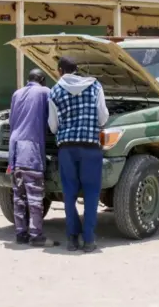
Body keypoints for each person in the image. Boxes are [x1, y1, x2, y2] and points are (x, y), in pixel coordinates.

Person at [48, 57, 109, 252]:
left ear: (60, 70)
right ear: (77, 70)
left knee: (69, 193)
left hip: (67, 148)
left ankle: (72, 238)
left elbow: (53, 125)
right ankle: (89, 240)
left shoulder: (55, 90)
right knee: (91, 193)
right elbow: (103, 116)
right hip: (91, 147)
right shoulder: (95, 86)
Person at [8, 69, 58, 247]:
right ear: (42, 80)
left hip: (14, 148)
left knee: (18, 195)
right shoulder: (45, 92)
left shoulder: (17, 93)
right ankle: (36, 235)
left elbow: (12, 121)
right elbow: (53, 118)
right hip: (31, 148)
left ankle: (21, 233)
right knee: (35, 196)